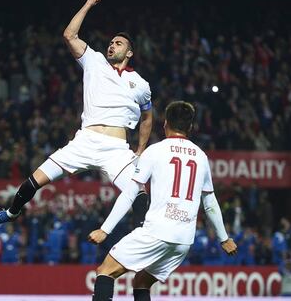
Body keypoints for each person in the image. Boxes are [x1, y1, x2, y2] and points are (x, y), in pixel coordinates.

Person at [0, 0, 153, 228]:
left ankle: (139, 238)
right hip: (85, 141)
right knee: (35, 180)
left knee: (140, 194)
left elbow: (147, 117)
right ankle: (11, 213)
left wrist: (141, 150)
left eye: (119, 43)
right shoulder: (94, 61)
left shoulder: (141, 84)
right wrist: (88, 4)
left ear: (130, 53)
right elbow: (69, 35)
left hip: (116, 150)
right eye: (111, 42)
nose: (112, 45)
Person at [88, 101, 237, 301]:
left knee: (105, 271)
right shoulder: (201, 157)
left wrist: (105, 229)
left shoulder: (155, 151)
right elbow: (209, 202)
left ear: (165, 124)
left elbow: (130, 193)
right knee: (141, 282)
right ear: (190, 128)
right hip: (183, 240)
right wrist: (224, 238)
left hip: (157, 232)